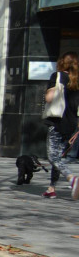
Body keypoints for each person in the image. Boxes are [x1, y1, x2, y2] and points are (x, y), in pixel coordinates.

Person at [42, 51, 79, 199]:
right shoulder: (76, 81)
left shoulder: (57, 76)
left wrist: (49, 92)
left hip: (57, 121)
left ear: (62, 62)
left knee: (53, 157)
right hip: (71, 124)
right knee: (58, 155)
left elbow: (50, 98)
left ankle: (72, 179)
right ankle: (51, 189)